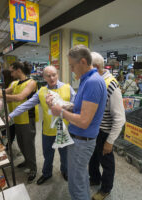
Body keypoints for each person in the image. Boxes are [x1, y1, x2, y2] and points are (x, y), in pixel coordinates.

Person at [47, 45, 107, 200]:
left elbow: (84, 121)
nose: (72, 69)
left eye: (72, 66)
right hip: (79, 139)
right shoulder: (86, 80)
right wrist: (64, 105)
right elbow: (81, 109)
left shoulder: (93, 82)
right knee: (79, 179)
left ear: (82, 62)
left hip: (82, 141)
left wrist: (60, 112)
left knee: (76, 184)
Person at [8, 65, 76, 185]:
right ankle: (47, 173)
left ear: (57, 74)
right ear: (44, 77)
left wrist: (64, 106)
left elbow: (77, 105)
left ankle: (65, 171)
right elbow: (27, 104)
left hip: (63, 129)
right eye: (48, 76)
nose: (51, 78)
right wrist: (11, 115)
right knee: (47, 155)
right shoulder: (42, 92)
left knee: (65, 154)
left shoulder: (67, 88)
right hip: (47, 130)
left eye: (54, 75)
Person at [0, 61, 38, 182]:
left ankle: (33, 168)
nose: (10, 73)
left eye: (12, 71)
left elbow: (20, 97)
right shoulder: (15, 83)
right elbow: (6, 92)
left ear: (18, 70)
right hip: (17, 118)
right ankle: (27, 161)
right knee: (21, 142)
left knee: (28, 144)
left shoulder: (31, 83)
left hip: (27, 118)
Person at [89, 52, 125, 200]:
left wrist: (110, 141)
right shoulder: (95, 80)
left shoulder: (111, 85)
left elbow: (120, 118)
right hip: (95, 131)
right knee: (93, 158)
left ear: (96, 67)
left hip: (105, 133)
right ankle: (95, 178)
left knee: (107, 163)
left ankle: (105, 189)